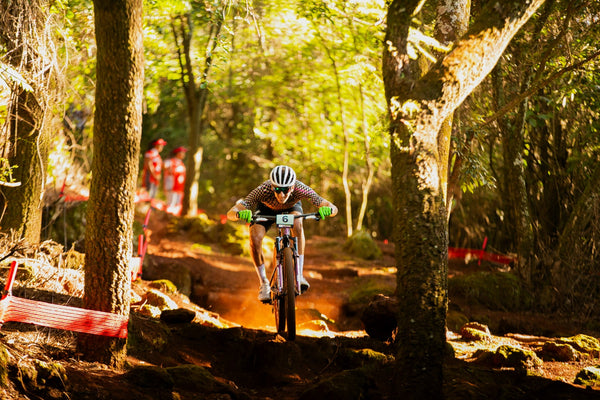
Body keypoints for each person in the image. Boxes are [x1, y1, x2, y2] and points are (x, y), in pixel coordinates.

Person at [227, 165, 338, 302]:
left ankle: (299, 274)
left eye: (285, 190)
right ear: (272, 187)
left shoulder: (300, 188)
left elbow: (329, 205)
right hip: (266, 209)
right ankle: (264, 283)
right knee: (254, 236)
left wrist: (328, 210)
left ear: (292, 187)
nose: (281, 195)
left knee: (298, 224)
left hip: (291, 208)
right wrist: (239, 213)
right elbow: (231, 212)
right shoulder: (263, 189)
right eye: (277, 189)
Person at [163, 146, 187, 213]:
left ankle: (173, 216)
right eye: (183, 152)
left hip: (179, 187)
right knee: (171, 202)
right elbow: (164, 165)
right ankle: (168, 216)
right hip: (171, 185)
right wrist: (169, 169)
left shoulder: (181, 163)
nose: (184, 154)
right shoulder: (171, 161)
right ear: (178, 153)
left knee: (177, 203)